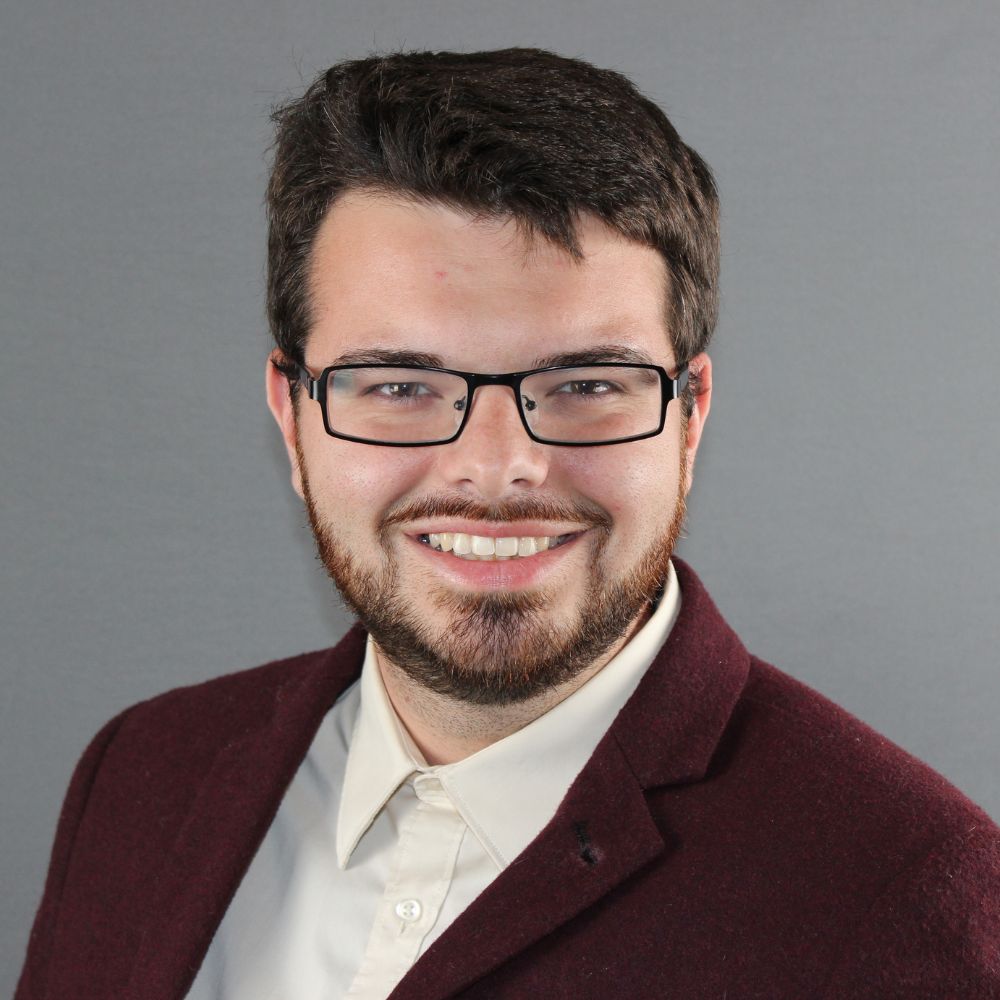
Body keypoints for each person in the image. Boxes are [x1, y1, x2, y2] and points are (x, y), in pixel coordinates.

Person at [16, 48, 1000, 1000]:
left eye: (584, 384)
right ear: (290, 411)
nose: (494, 469)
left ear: (689, 414)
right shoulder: (142, 776)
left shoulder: (902, 898)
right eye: (399, 383)